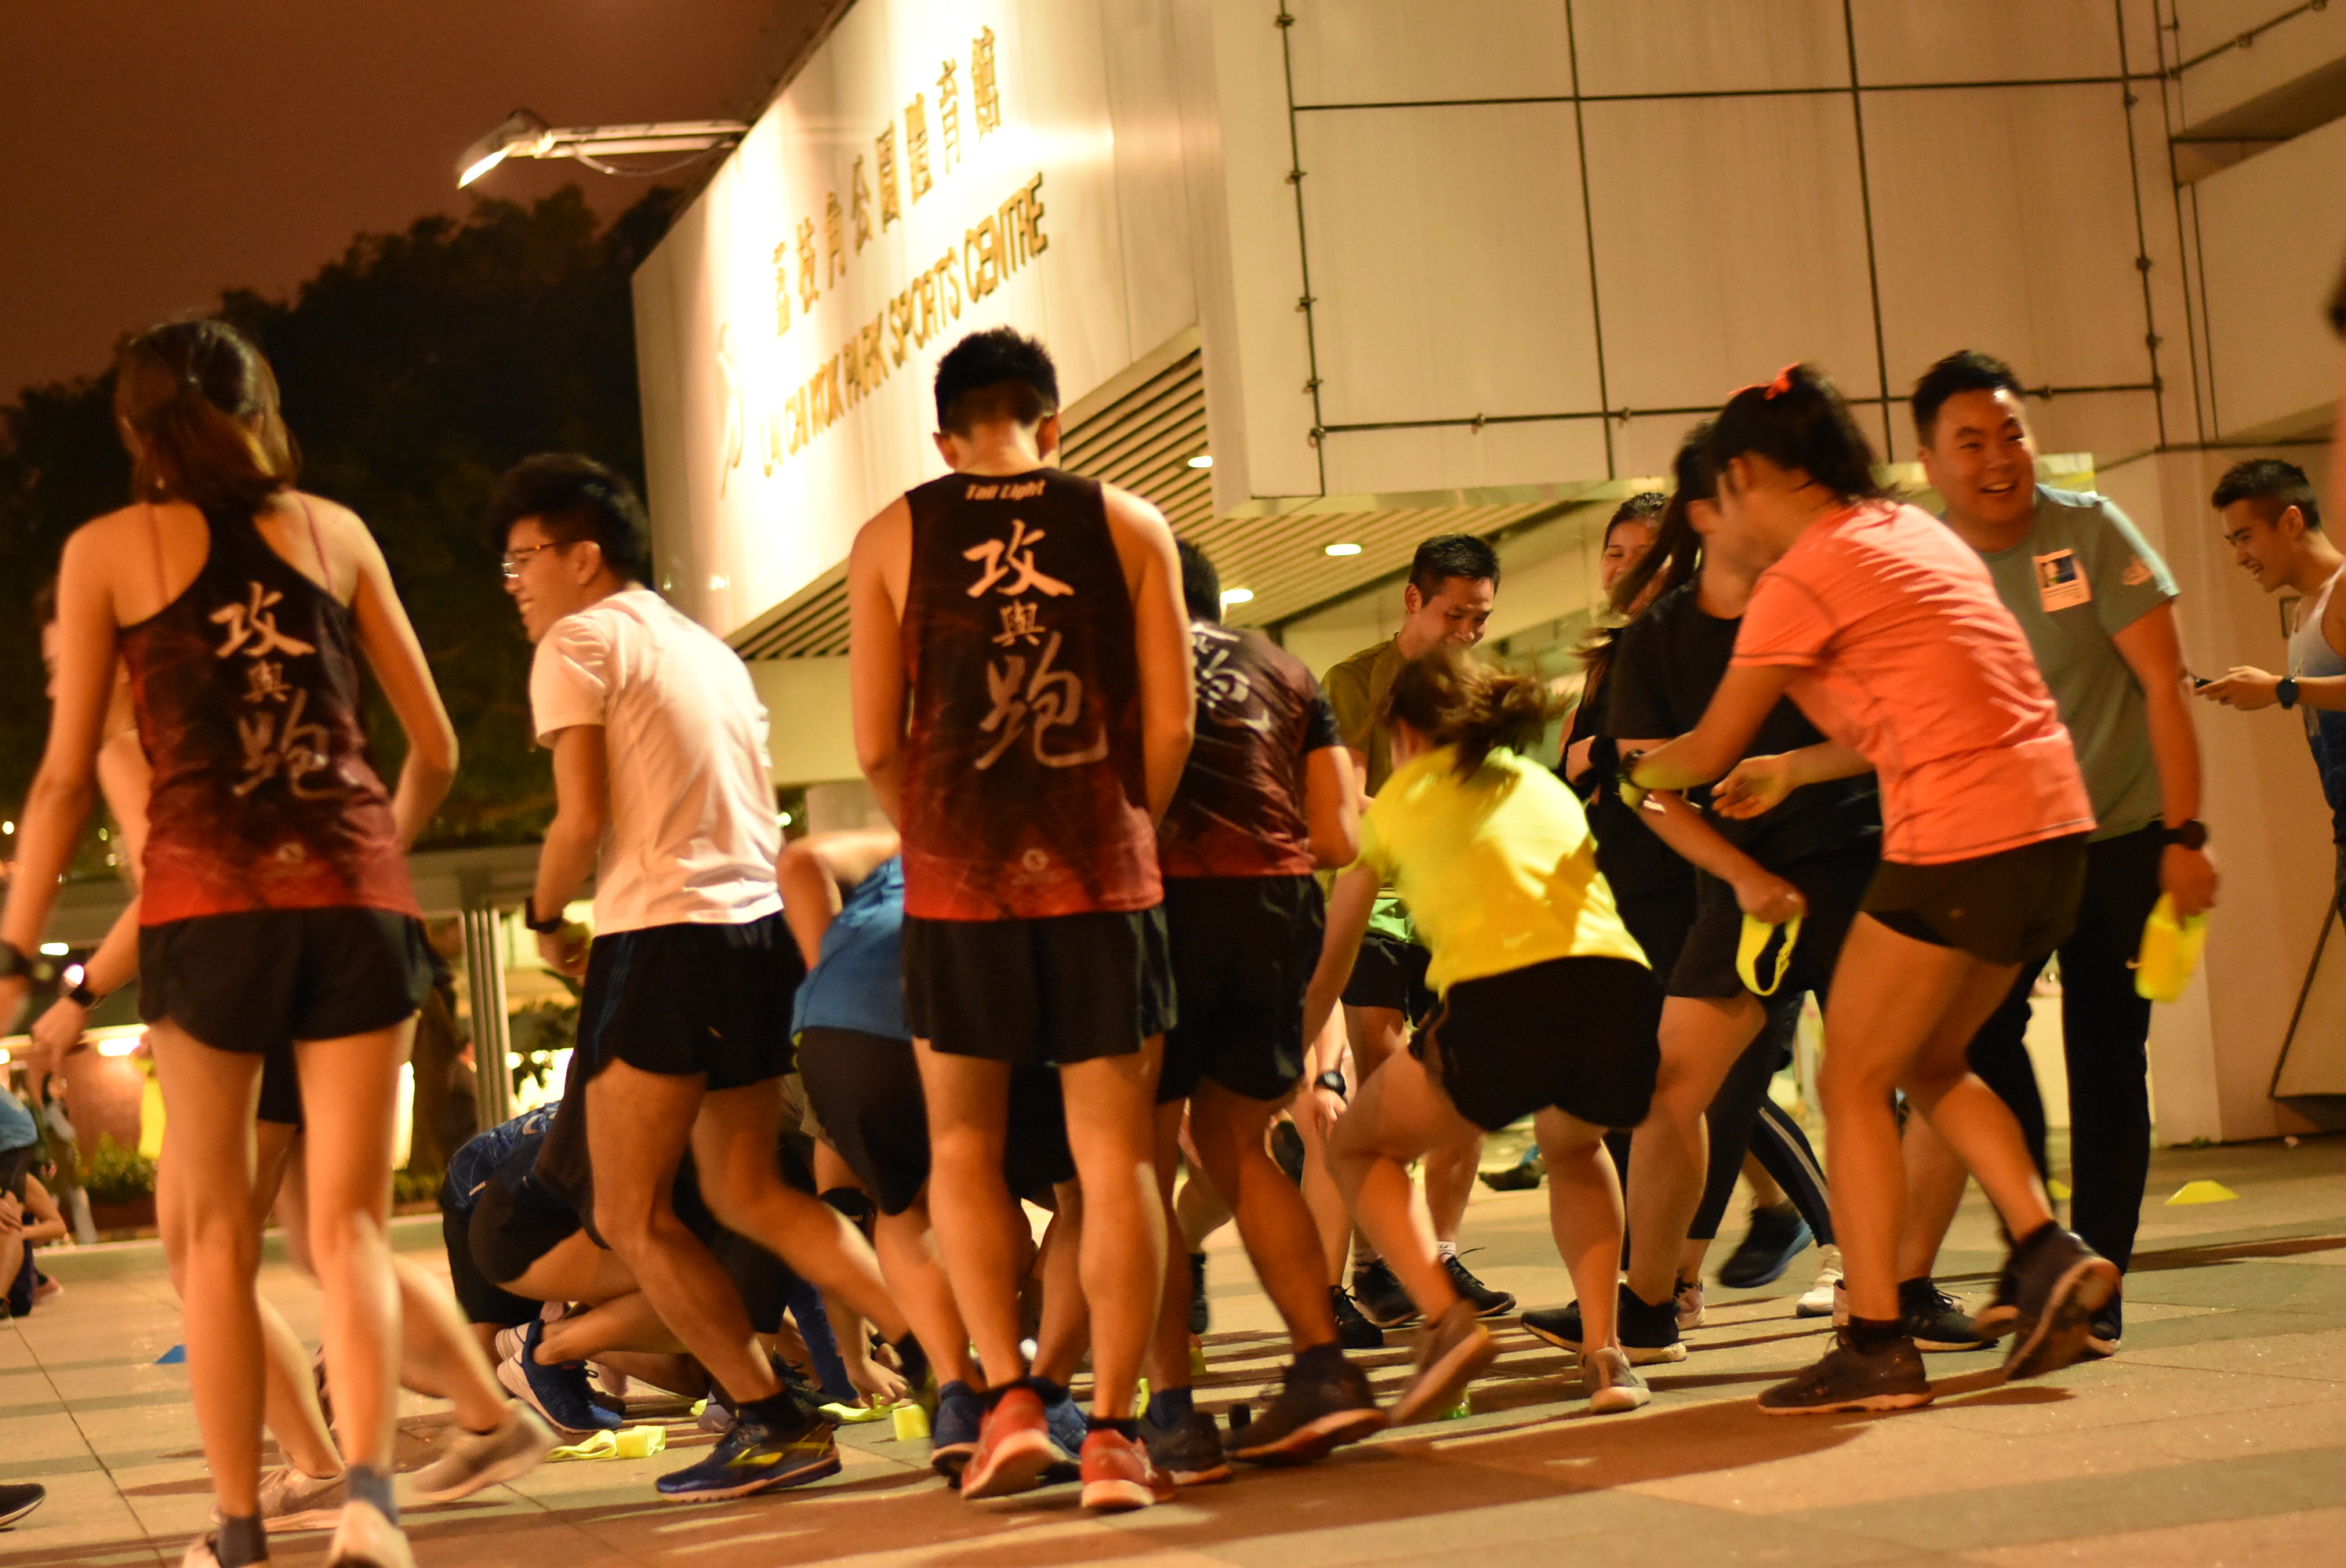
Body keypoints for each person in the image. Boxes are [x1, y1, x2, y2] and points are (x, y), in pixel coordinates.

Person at [2, 319, 456, 1568]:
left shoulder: (108, 548)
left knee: (209, 1244)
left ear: (134, 431)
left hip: (211, 917)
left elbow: (63, 780)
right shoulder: (335, 532)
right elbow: (436, 747)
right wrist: (373, 853)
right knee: (350, 1229)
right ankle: (370, 1505)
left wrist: (20, 961)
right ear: (264, 412)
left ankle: (244, 1533)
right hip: (358, 907)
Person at [1624, 364, 2117, 1414]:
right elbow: (1913, 703)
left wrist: (1631, 773)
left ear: (1750, 476)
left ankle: (1878, 1341)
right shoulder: (1910, 532)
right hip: (2054, 823)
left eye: (1724, 490)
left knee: (1851, 1078)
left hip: (1961, 831)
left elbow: (1704, 747)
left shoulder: (1801, 576)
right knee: (1932, 1059)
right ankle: (2046, 1246)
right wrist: (1793, 770)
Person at [493, 452, 918, 1504]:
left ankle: (770, 1419)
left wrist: (544, 916)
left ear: (583, 555)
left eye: (524, 558)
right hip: (754, 935)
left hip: (662, 940)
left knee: (633, 1213)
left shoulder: (578, 642)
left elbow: (580, 817)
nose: (517, 583)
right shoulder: (704, 648)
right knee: (748, 1190)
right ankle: (956, 1366)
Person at [847, 325, 1193, 1511]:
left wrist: (939, 837)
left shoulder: (890, 534)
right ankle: (1114, 1433)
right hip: (1106, 879)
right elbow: (1173, 727)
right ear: (1053, 425)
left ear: (944, 440)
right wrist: (1126, 826)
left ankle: (1004, 1398)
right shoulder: (1131, 524)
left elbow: (874, 743)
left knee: (962, 1147)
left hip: (958, 887)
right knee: (1114, 1155)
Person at [1538, 431, 1879, 1365]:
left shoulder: (1815, 597)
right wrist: (1737, 871)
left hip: (1855, 862)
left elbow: (1884, 730)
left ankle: (1887, 1289)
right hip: (1734, 885)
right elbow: (1653, 783)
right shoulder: (1654, 639)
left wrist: (1783, 770)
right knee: (1672, 1087)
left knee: (1875, 1082)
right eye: (1751, 489)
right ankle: (1653, 1299)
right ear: (1708, 513)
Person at [1903, 350, 2217, 1357]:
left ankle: (2098, 1282)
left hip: (2122, 837)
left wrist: (2185, 835)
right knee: (1976, 1043)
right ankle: (2040, 1245)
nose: (1999, 458)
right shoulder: (1924, 562)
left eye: (2012, 433)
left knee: (2107, 1058)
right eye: (1971, 443)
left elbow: (2164, 686)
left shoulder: (2089, 528)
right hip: (2005, 850)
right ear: (1928, 461)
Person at [1308, 645, 1665, 1421]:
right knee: (1575, 1148)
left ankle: (1447, 1323)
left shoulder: (1401, 798)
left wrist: (1292, 1051)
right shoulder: (1540, 784)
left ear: (1405, 732)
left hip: (1508, 994)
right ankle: (1606, 1354)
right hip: (1618, 984)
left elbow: (1337, 952)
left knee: (1357, 1147)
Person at [1136, 541, 1383, 1483]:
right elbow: (1339, 836)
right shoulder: (1285, 668)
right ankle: (1322, 1366)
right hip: (1277, 910)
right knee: (1238, 1146)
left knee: (1139, 1167)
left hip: (1160, 913)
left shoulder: (1120, 659)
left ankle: (1172, 1413)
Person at [778, 827, 1094, 1481]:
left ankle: (958, 1397)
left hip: (838, 1021)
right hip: (973, 994)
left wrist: (828, 964)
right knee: (1093, 1191)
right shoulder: (1046, 823)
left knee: (902, 1202)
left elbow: (802, 860)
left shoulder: (903, 840)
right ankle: (1041, 1395)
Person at [1319, 535, 1514, 1325]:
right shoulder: (1355, 680)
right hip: (1371, 897)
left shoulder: (1481, 690)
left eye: (1480, 617)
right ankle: (1377, 1263)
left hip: (1452, 902)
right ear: (1413, 600)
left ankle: (1441, 1250)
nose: (1468, 631)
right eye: (1454, 614)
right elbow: (1346, 799)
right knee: (1381, 1068)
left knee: (1465, 1073)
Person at [2199, 459, 2345, 913]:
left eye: (2246, 537)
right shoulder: (2305, 611)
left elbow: (2292, 690)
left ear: (2292, 522)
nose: (2240, 557)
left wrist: (2282, 689)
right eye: (2233, 542)